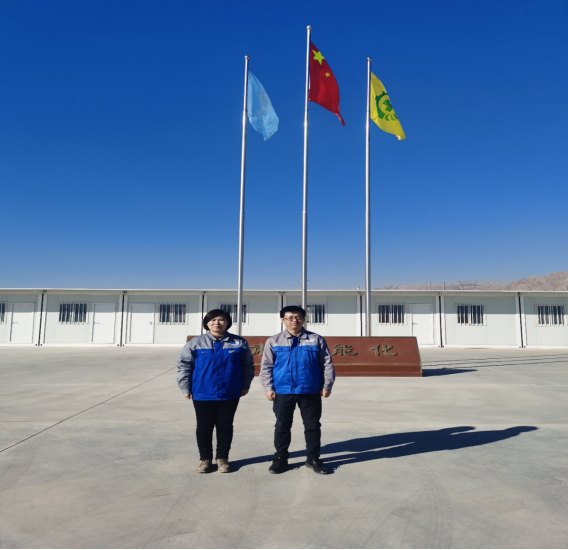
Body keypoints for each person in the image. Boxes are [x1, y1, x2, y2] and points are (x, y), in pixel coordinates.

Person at [260, 305, 336, 475]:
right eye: (290, 317)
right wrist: (268, 387)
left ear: (303, 319)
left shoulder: (316, 339)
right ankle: (280, 458)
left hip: (310, 390)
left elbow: (326, 364)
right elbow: (266, 366)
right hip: (283, 390)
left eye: (298, 317)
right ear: (283, 320)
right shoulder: (274, 341)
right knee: (282, 425)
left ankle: (313, 458)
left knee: (312, 425)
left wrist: (326, 385)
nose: (294, 320)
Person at [177, 309, 255, 474]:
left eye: (221, 319)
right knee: (204, 426)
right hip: (202, 392)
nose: (217, 323)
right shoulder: (195, 343)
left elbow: (247, 366)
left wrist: (245, 385)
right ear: (207, 323)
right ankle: (205, 459)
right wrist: (185, 387)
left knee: (225, 425)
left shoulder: (239, 342)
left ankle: (222, 459)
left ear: (227, 322)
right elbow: (184, 366)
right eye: (213, 320)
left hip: (230, 391)